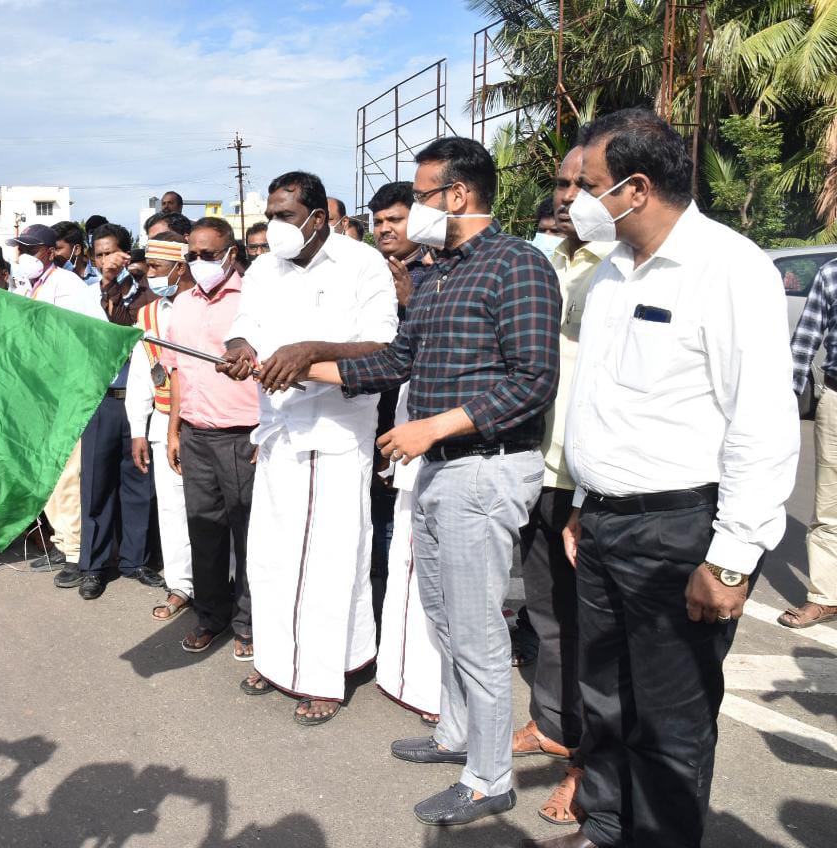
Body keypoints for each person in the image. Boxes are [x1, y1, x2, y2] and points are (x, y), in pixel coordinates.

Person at [541, 109, 799, 848]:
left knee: (670, 723)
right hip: (604, 524)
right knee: (605, 699)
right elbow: (602, 400)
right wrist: (584, 501)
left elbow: (761, 420)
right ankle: (607, 826)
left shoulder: (729, 268)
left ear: (636, 187)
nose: (572, 200)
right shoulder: (612, 270)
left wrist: (732, 558)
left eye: (588, 184)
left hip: (678, 530)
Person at [308, 137, 560, 824]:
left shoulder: (517, 264)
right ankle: (456, 734)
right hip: (441, 468)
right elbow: (396, 361)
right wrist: (301, 366)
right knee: (445, 616)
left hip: (485, 467)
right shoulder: (438, 273)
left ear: (457, 195)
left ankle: (489, 778)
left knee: (477, 629)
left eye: (420, 196)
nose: (411, 209)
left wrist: (432, 427)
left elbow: (533, 380)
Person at [219, 171, 398, 726]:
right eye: (270, 216)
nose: (275, 226)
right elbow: (244, 326)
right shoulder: (263, 269)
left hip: (334, 432)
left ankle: (324, 676)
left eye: (286, 216)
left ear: (318, 218)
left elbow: (384, 345)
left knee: (329, 560)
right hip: (277, 431)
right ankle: (277, 661)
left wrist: (310, 351)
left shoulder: (361, 263)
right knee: (272, 556)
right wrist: (240, 349)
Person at [512, 146, 617, 829]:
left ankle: (590, 767)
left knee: (601, 637)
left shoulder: (622, 267)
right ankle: (554, 724)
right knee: (549, 616)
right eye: (561, 183)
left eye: (584, 184)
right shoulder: (544, 260)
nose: (568, 195)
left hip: (597, 482)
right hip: (539, 464)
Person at [160, 219, 262, 657]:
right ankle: (210, 617)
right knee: (204, 531)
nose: (199, 262)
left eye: (208, 254)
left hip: (242, 435)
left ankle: (248, 624)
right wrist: (174, 430)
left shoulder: (254, 299)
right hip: (196, 434)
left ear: (231, 254)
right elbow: (177, 371)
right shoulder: (181, 304)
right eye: (192, 255)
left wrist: (265, 433)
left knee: (248, 535)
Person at [364, 180, 439, 722]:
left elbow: (428, 350)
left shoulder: (440, 273)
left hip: (421, 432)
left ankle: (427, 676)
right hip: (369, 425)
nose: (385, 229)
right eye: (378, 222)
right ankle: (382, 646)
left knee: (412, 549)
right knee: (378, 545)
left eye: (395, 219)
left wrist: (412, 300)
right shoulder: (368, 274)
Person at [70, 222, 163, 600]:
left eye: (112, 253)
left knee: (138, 482)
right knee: (96, 485)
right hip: (102, 400)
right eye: (99, 255)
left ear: (127, 253)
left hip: (140, 401)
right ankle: (93, 566)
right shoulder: (83, 297)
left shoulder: (146, 296)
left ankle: (135, 559)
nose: (106, 260)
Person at [5, 224, 103, 579]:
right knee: (47, 472)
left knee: (67, 474)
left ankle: (76, 551)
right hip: (38, 393)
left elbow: (93, 332)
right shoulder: (28, 286)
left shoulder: (68, 285)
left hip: (64, 392)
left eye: (31, 250)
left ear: (49, 251)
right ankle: (62, 542)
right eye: (21, 249)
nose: (24, 256)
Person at [126, 234, 196, 621]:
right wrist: (138, 428)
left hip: (205, 423)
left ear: (179, 268)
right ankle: (181, 585)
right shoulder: (149, 314)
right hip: (161, 424)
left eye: (155, 267)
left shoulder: (205, 306)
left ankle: (226, 582)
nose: (149, 274)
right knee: (172, 511)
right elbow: (141, 374)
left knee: (216, 510)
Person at [785, 256, 837, 629]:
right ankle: (825, 596)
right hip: (836, 399)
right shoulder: (832, 273)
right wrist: (785, 402)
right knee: (830, 505)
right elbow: (805, 340)